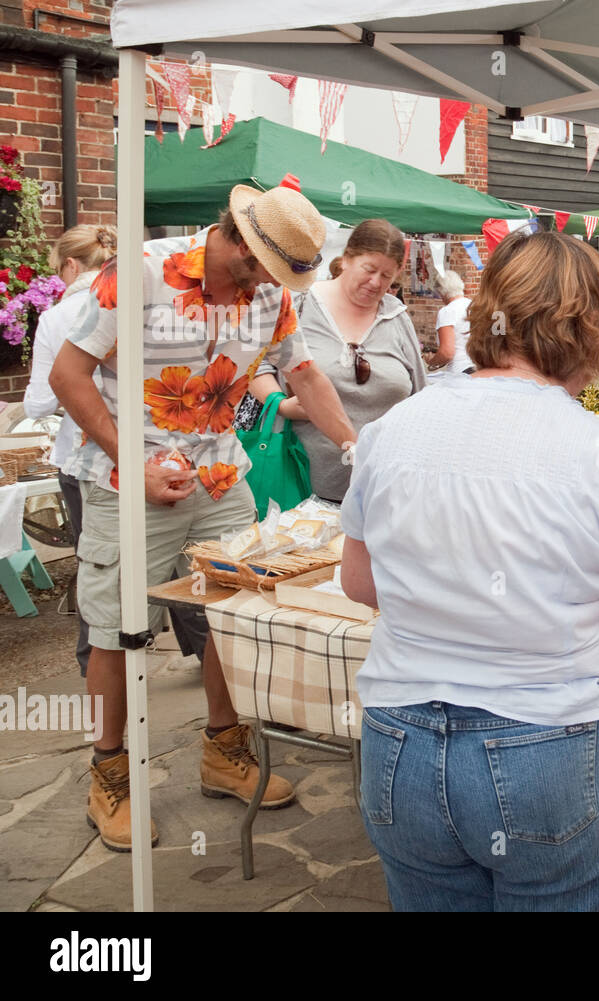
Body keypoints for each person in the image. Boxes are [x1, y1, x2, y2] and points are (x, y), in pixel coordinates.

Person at [339, 228, 599, 910]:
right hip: (544, 746)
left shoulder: (394, 428)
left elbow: (361, 581)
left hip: (401, 740)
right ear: (594, 333)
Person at [48, 180, 358, 851]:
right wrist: (133, 463)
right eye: (266, 270)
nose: (269, 287)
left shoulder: (270, 295)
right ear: (240, 240)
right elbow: (68, 375)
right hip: (125, 480)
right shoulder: (138, 274)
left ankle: (224, 748)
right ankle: (109, 775)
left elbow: (303, 374)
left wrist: (357, 443)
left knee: (235, 613)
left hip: (222, 479)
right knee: (115, 628)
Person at [249, 219, 425, 504]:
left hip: (384, 492)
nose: (376, 282)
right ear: (345, 260)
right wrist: (280, 403)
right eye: (369, 270)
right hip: (303, 490)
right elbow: (256, 365)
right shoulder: (299, 304)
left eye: (387, 276)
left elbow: (421, 396)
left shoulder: (397, 317)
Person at [24, 224, 117, 676]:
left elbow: (38, 401)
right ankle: (203, 654)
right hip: (147, 449)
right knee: (173, 561)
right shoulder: (133, 298)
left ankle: (92, 667)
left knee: (96, 569)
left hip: (84, 458)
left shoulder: (60, 316)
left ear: (71, 265)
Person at [429, 270, 473, 373]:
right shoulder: (475, 305)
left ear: (441, 292)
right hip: (479, 366)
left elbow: (447, 352)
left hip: (460, 370)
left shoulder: (447, 312)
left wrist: (432, 361)